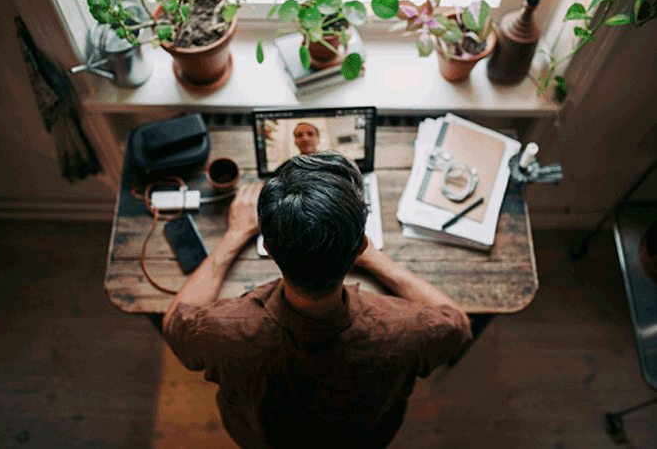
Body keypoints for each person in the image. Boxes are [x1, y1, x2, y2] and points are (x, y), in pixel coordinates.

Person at [162, 152, 472, 449]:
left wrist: (235, 234)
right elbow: (457, 324)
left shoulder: (222, 329)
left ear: (269, 249)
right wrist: (375, 259)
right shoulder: (405, 328)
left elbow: (174, 323)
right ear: (361, 246)